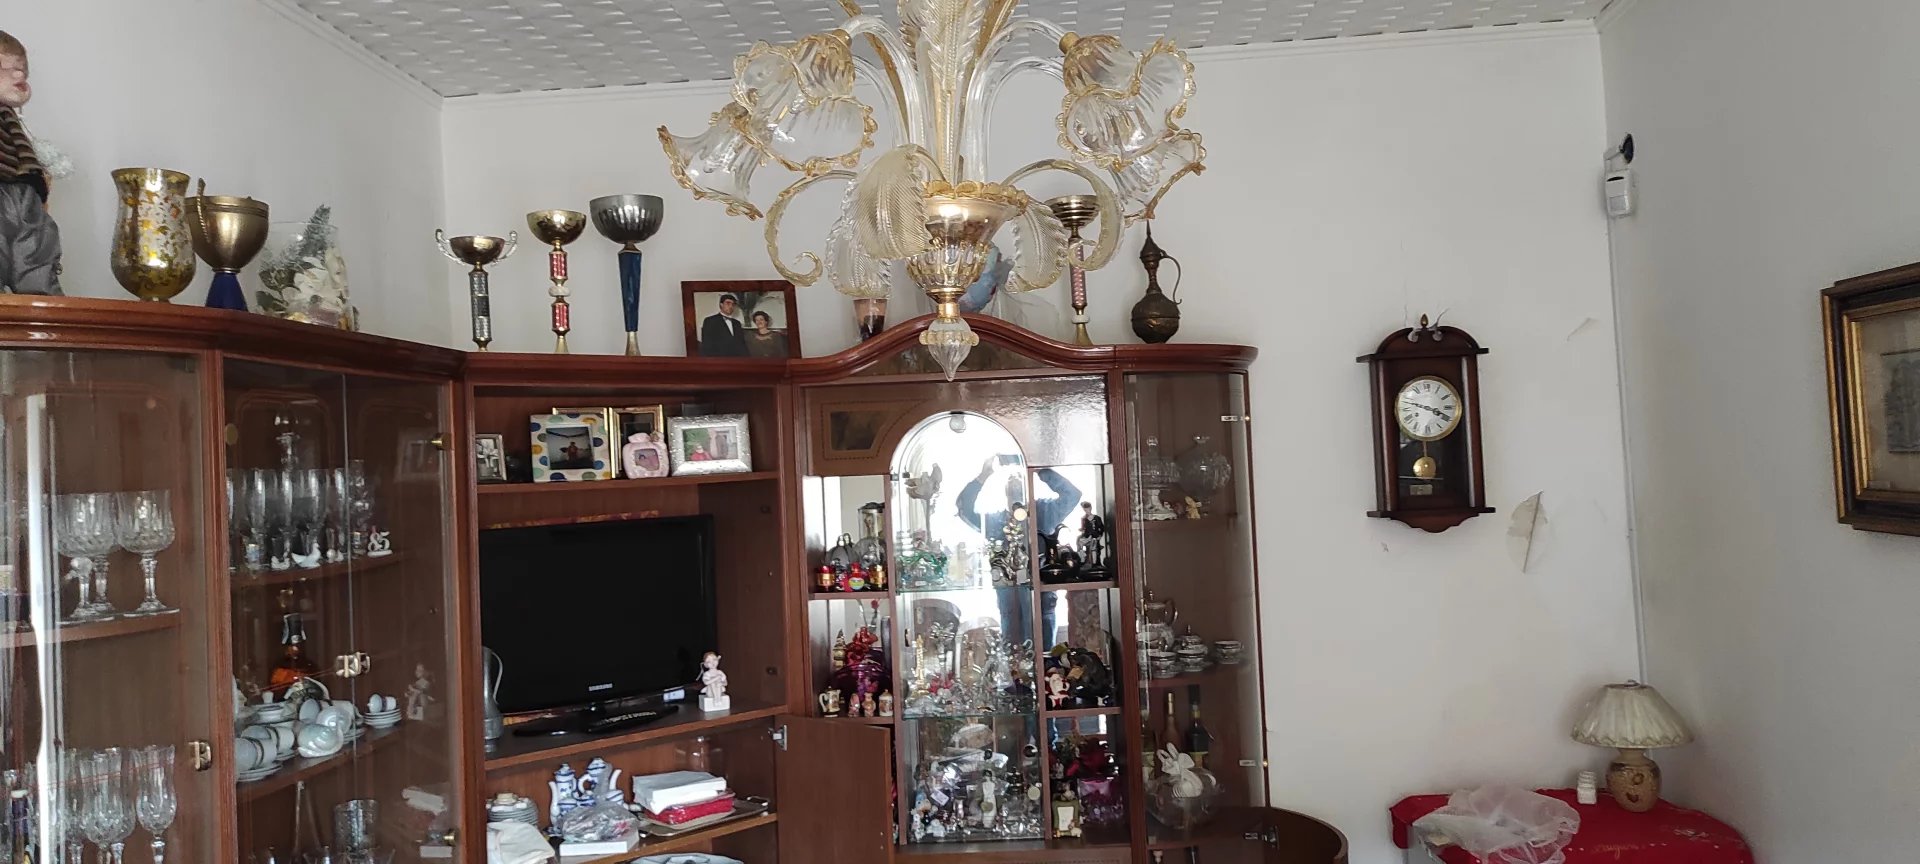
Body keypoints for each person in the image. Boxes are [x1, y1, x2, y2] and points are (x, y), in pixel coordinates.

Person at [0, 31, 61, 295]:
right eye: (4, 67)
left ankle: (44, 312)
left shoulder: (11, 119)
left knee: (37, 252)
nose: (19, 74)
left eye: (22, 68)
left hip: (25, 190)